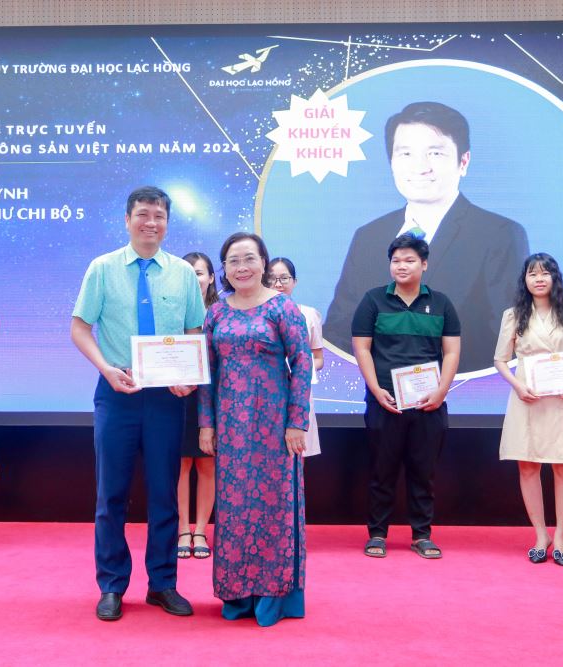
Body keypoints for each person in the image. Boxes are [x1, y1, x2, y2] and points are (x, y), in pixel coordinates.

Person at [71, 186, 206, 622]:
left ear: (168, 223)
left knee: (165, 493)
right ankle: (112, 585)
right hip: (117, 393)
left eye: (159, 216)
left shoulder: (182, 274)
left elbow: (194, 332)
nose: (151, 223)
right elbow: (79, 327)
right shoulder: (103, 268)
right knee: (110, 495)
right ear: (127, 220)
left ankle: (163, 584)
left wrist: (189, 375)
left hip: (166, 398)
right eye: (143, 214)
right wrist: (106, 369)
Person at [325, 101, 528, 372]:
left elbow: (508, 338)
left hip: (457, 389)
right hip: (376, 388)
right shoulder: (368, 237)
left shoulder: (499, 235)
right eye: (406, 153)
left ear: (463, 161)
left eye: (435, 153)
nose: (420, 167)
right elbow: (341, 328)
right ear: (391, 162)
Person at [199, 232, 312, 627]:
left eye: (249, 258)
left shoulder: (282, 307)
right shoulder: (216, 313)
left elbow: (302, 363)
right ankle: (237, 594)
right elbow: (207, 372)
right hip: (230, 426)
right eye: (233, 260)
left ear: (263, 262)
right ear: (224, 269)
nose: (241, 267)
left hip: (275, 425)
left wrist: (297, 422)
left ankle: (273, 595)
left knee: (274, 506)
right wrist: (206, 424)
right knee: (234, 509)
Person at [351, 233, 460, 559]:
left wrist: (441, 392)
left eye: (409, 260)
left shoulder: (441, 303)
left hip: (429, 404)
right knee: (381, 472)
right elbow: (362, 349)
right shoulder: (373, 301)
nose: (402, 266)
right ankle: (377, 534)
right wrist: (376, 390)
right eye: (396, 260)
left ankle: (422, 535)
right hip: (385, 402)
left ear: (424, 264)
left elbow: (452, 352)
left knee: (423, 473)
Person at [493, 253, 563, 566]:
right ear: (524, 279)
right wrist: (517, 385)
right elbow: (500, 360)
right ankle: (541, 535)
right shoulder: (513, 315)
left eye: (544, 273)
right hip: (528, 397)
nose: (538, 279)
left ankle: (562, 535)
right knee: (528, 467)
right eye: (532, 274)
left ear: (555, 277)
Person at [176, 251, 219, 561]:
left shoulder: (223, 313)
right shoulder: (171, 310)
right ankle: (182, 529)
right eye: (188, 272)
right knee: (180, 465)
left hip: (213, 397)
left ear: (212, 278)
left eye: (200, 272)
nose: (194, 278)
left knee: (207, 464)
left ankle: (201, 530)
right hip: (177, 394)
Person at [269, 256, 324, 458]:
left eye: (284, 278)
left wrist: (300, 369)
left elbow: (318, 358)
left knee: (298, 452)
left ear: (294, 281)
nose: (278, 284)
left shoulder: (309, 314)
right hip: (269, 392)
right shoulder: (256, 316)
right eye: (272, 279)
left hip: (298, 393)